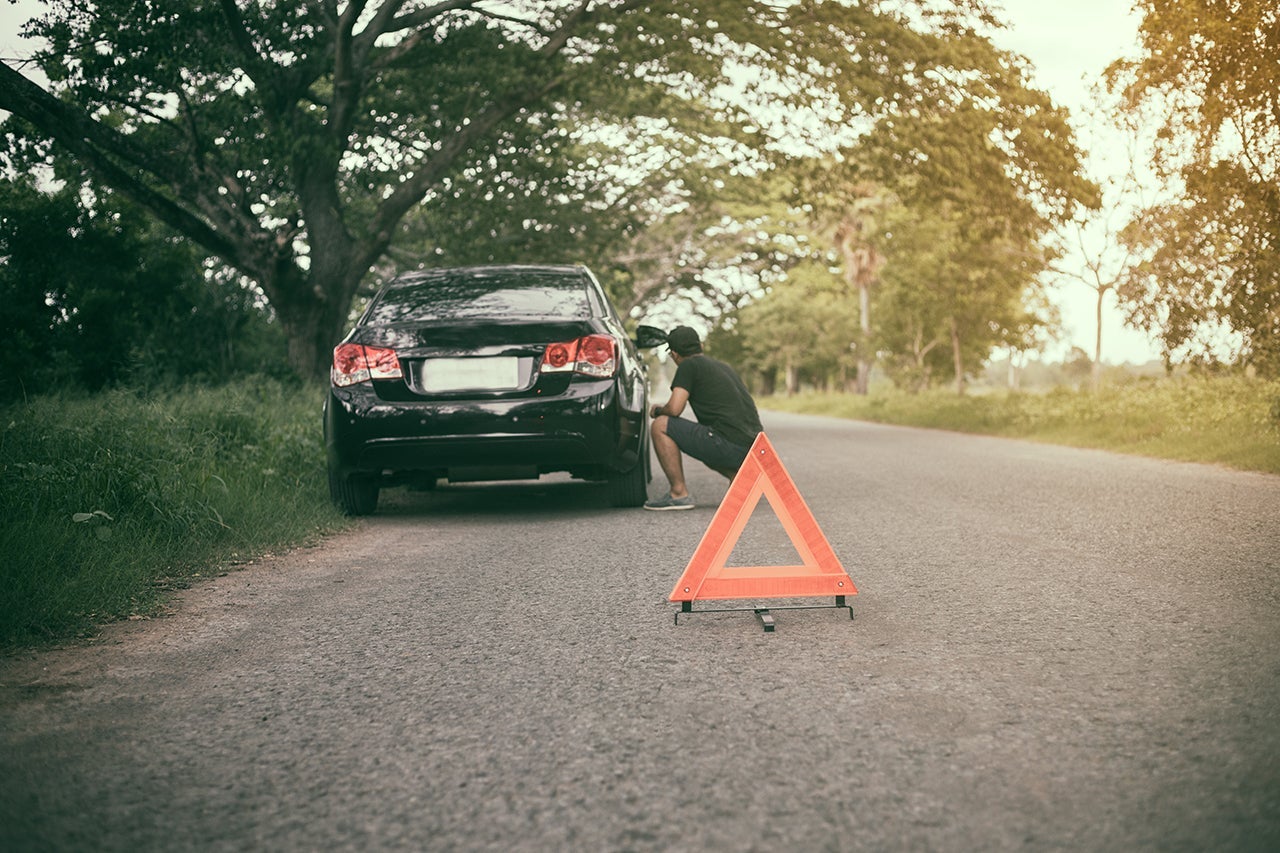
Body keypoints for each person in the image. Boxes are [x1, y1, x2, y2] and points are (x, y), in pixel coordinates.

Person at [644, 325, 763, 511]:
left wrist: (658, 411)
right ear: (701, 345)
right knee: (707, 435)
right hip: (753, 448)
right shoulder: (724, 367)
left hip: (727, 444)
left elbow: (674, 409)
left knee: (660, 425)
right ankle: (738, 477)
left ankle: (678, 493)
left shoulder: (688, 366)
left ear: (674, 354)